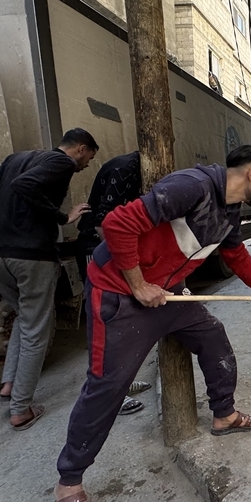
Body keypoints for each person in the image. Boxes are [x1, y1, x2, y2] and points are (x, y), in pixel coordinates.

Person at [54, 144, 251, 502]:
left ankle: (224, 415)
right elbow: (116, 225)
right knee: (107, 386)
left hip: (167, 293)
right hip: (119, 291)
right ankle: (69, 482)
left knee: (213, 336)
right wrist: (137, 284)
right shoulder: (192, 187)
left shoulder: (231, 212)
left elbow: (237, 258)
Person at [0, 128, 98, 430]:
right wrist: (62, 217)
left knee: (24, 319)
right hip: (31, 257)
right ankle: (21, 409)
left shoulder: (18, 157)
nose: (85, 166)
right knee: (37, 328)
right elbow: (26, 185)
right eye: (88, 159)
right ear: (80, 149)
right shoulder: (62, 163)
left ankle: (10, 384)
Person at [75, 150, 149, 414]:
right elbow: (105, 221)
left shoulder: (131, 167)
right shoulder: (125, 169)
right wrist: (123, 264)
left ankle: (120, 384)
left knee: (121, 323)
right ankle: (107, 396)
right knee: (104, 324)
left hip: (108, 253)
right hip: (98, 252)